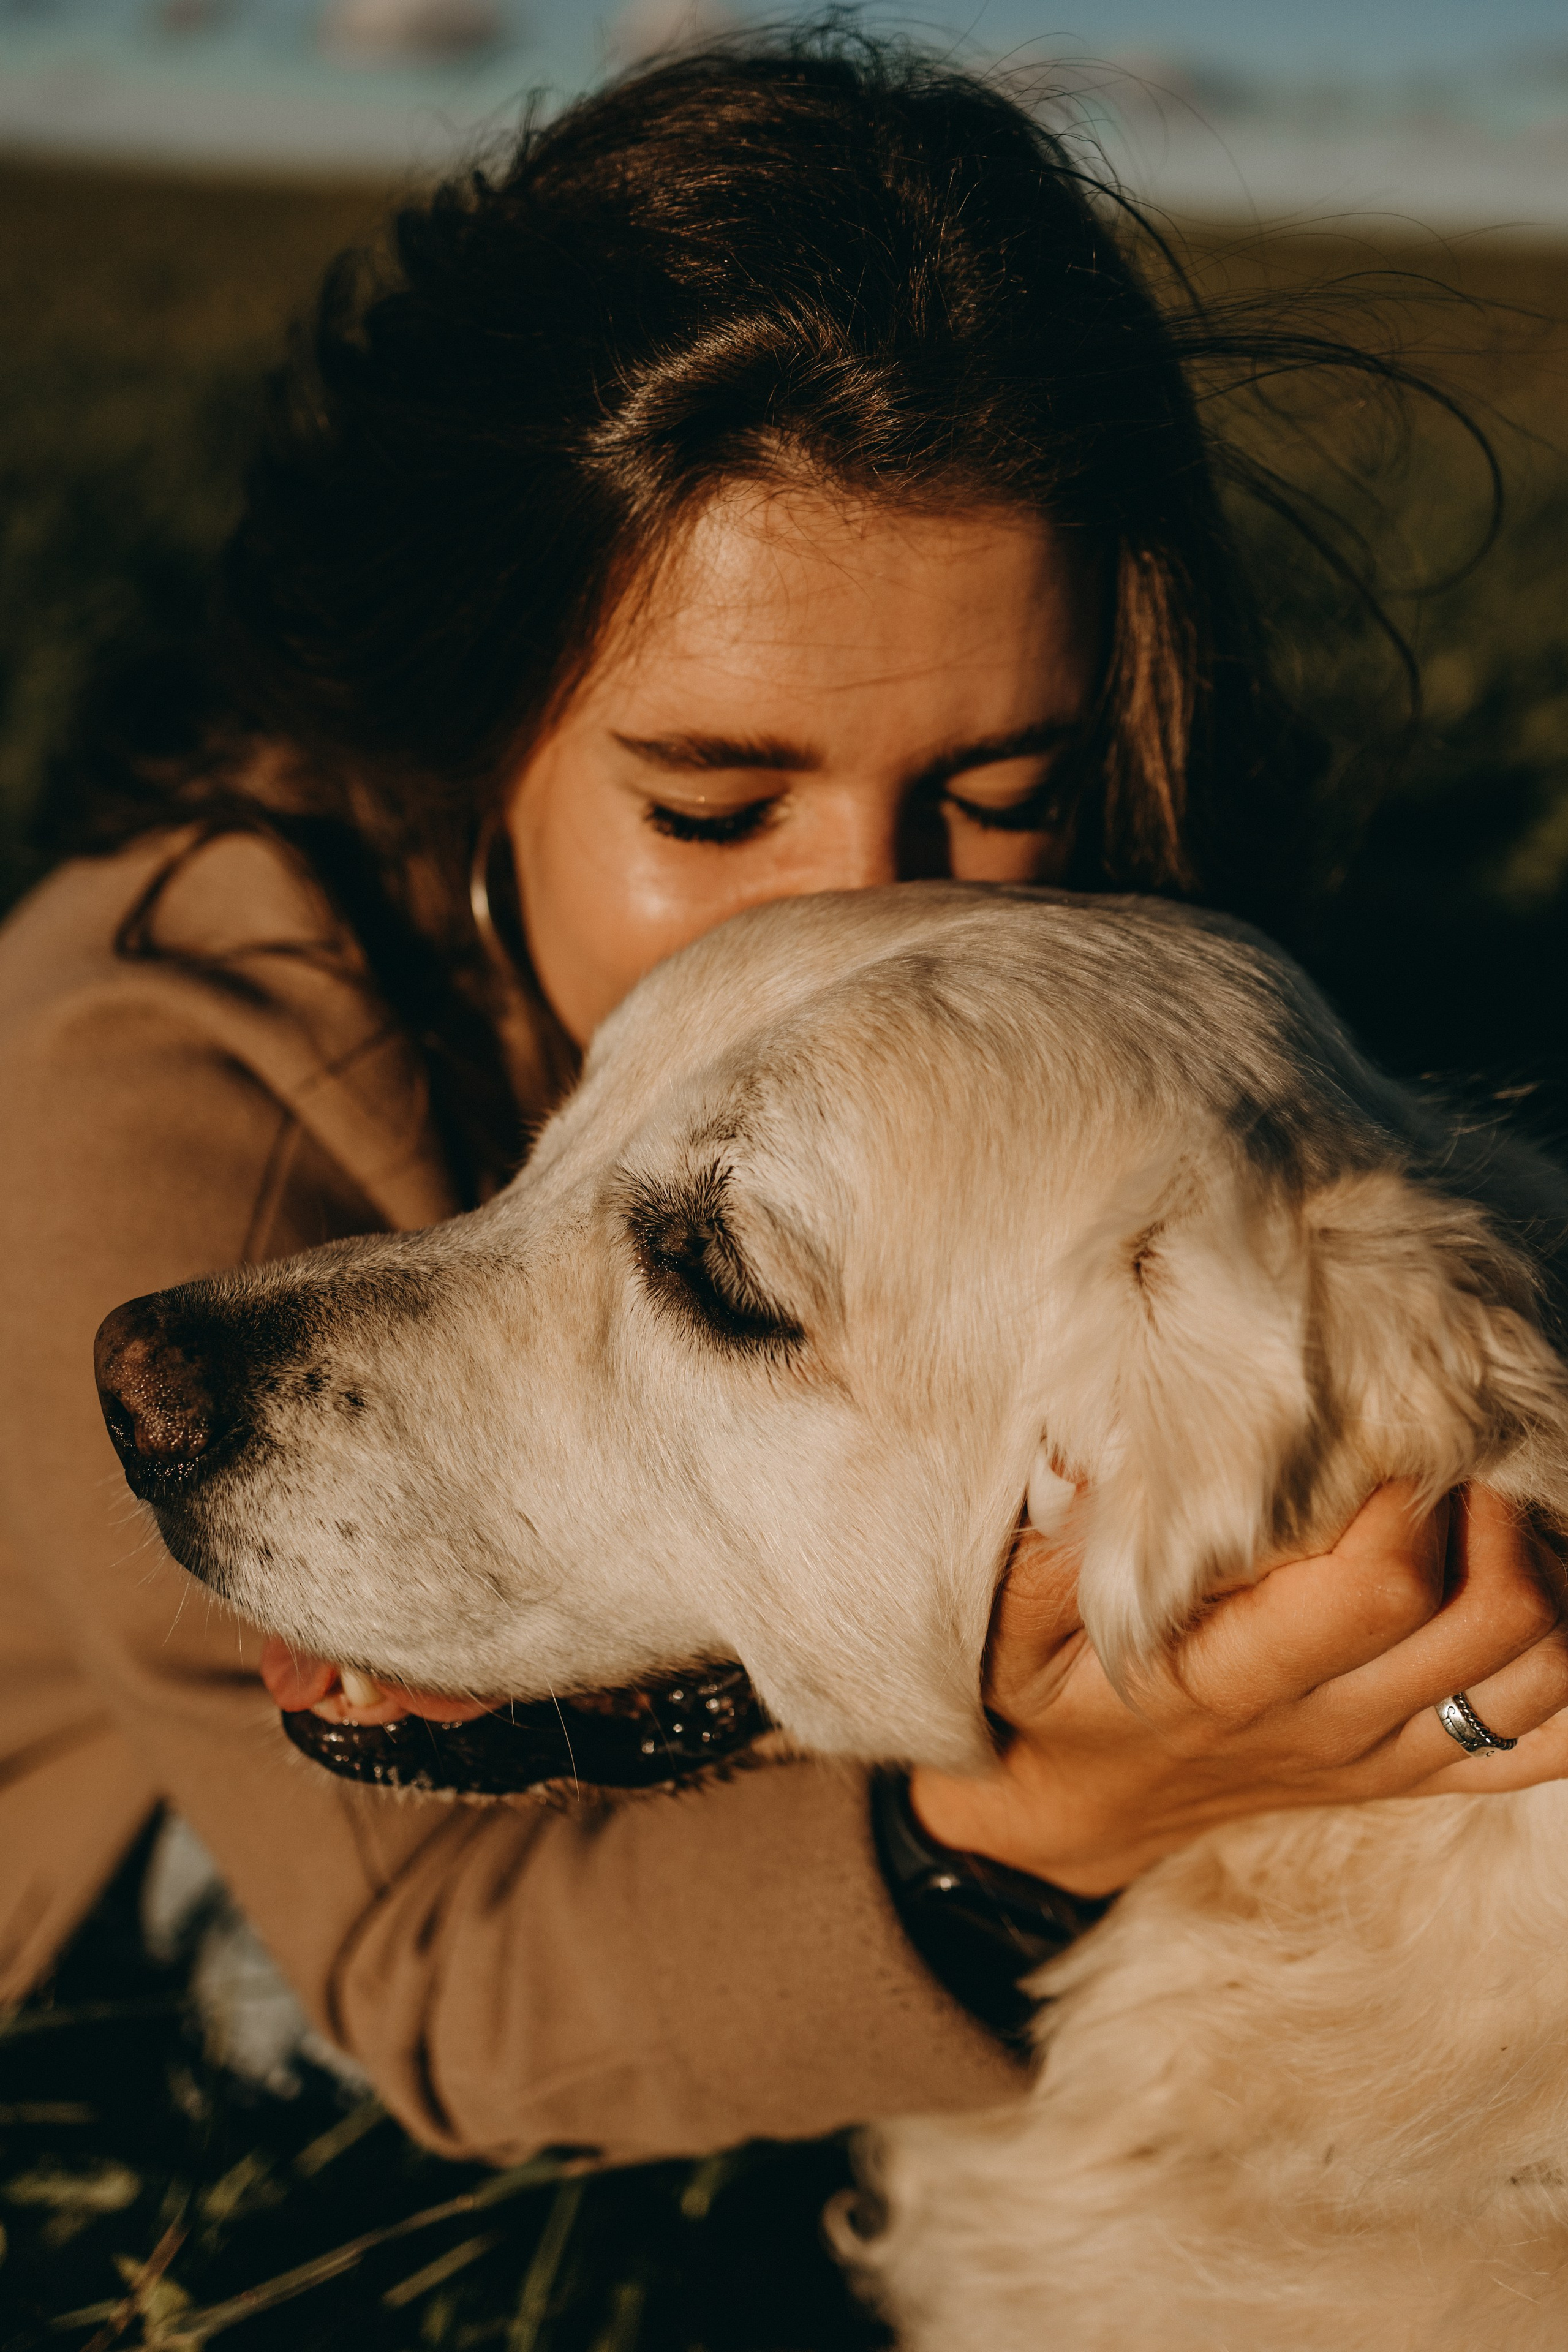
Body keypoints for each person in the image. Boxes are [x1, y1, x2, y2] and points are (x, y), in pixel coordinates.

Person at [2, 31, 1566, 2168]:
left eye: (999, 790)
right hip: (149, 1892)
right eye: (717, 802)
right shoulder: (158, 1060)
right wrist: (1075, 1807)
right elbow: (442, 1976)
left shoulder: (1105, 1006)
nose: (861, 912)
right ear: (484, 713)